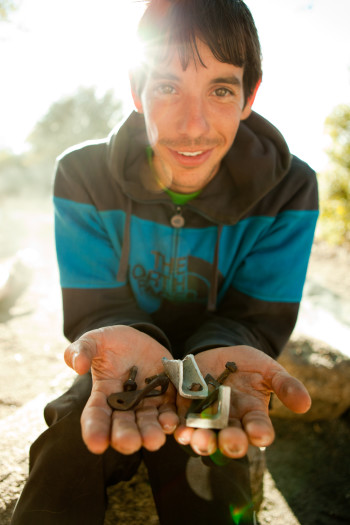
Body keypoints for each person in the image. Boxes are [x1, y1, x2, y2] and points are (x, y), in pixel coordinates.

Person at [11, 1, 318, 524]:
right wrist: (131, 344)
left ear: (249, 97)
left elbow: (257, 318)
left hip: (220, 359)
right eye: (168, 87)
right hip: (121, 350)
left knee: (210, 443)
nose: (193, 126)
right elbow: (95, 308)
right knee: (75, 429)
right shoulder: (81, 176)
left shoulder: (290, 190)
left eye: (221, 90)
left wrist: (207, 366)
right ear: (137, 90)